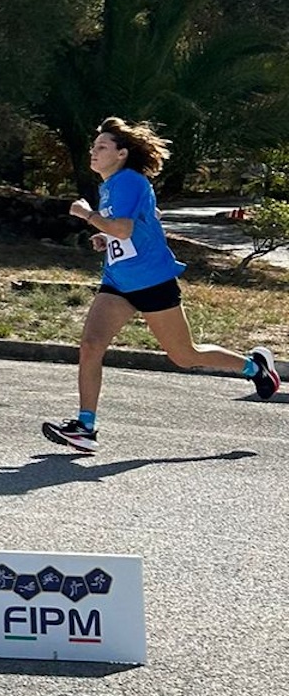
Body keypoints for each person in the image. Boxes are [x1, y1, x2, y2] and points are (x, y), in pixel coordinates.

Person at [42, 116, 278, 454]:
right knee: (91, 346)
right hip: (118, 279)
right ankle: (85, 427)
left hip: (152, 280)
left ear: (121, 153)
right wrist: (103, 236)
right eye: (93, 147)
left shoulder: (129, 182)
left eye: (102, 147)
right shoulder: (111, 185)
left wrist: (86, 214)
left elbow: (123, 229)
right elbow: (128, 229)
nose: (93, 152)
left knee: (184, 355)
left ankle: (254, 366)